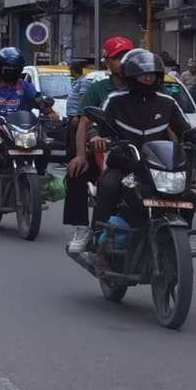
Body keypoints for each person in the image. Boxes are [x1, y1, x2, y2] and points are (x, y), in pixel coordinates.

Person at [82, 48, 196, 260]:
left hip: (159, 164)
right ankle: (96, 237)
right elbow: (98, 126)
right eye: (143, 75)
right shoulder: (115, 99)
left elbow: (186, 129)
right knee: (109, 185)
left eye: (152, 75)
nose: (148, 79)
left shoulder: (167, 102)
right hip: (125, 161)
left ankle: (180, 242)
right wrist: (97, 139)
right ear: (130, 77)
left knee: (188, 196)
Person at [64, 36, 136, 253]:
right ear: (108, 62)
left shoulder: (146, 86)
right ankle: (83, 228)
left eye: (128, 56)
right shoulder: (98, 89)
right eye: (118, 57)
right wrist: (80, 155)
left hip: (142, 152)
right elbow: (84, 122)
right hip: (107, 150)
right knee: (76, 173)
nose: (123, 62)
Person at [0, 46, 55, 188]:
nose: (12, 73)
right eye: (8, 69)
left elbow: (38, 100)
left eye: (15, 69)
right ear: (0, 68)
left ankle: (40, 177)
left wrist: (50, 112)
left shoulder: (25, 86)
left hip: (23, 131)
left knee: (45, 146)